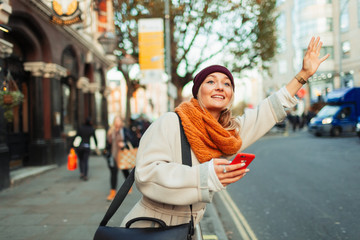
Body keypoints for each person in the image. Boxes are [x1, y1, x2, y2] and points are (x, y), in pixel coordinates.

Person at [121, 37, 329, 229]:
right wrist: (205, 175)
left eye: (227, 84)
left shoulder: (228, 134)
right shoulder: (171, 122)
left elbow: (268, 111)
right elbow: (145, 175)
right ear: (198, 91)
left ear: (230, 96)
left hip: (189, 228)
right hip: (149, 226)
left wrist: (303, 75)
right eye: (211, 81)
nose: (220, 87)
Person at [106, 115, 138, 201]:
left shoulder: (125, 130)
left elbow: (133, 141)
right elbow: (108, 144)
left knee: (125, 172)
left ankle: (128, 186)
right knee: (113, 174)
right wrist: (107, 154)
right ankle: (112, 192)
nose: (117, 122)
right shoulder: (110, 131)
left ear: (121, 122)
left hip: (123, 155)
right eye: (116, 121)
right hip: (113, 156)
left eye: (118, 121)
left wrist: (124, 144)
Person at [72, 117, 99, 181]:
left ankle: (82, 173)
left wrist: (72, 145)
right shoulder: (91, 129)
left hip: (80, 146)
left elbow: (76, 136)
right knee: (85, 161)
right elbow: (95, 138)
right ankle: (85, 175)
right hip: (87, 146)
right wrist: (96, 146)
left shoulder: (81, 128)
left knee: (81, 160)